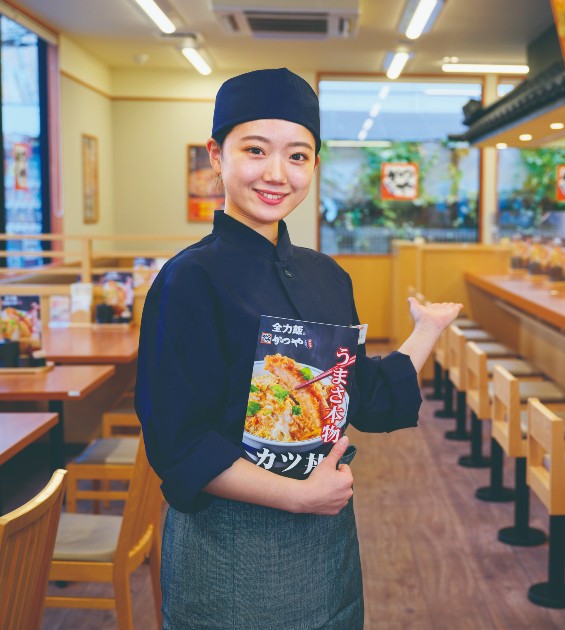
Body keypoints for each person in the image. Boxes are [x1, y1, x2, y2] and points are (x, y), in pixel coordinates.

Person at [135, 68, 461, 629]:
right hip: (228, 549)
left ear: (314, 164)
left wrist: (427, 329)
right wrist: (297, 497)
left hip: (327, 544)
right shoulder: (190, 278)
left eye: (298, 156)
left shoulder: (326, 277)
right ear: (217, 155)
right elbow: (178, 443)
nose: (276, 174)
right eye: (255, 149)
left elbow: (361, 397)